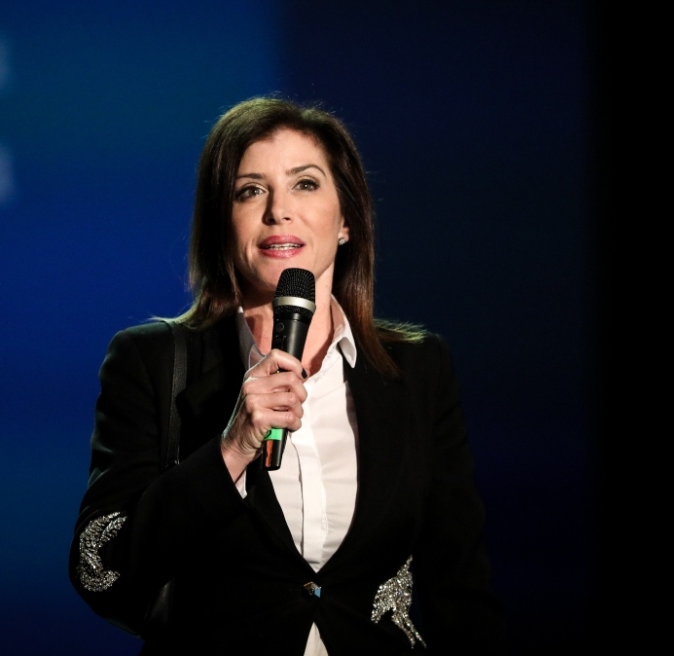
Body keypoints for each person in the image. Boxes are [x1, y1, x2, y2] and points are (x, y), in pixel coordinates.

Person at [70, 97, 504, 654]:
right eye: (251, 190)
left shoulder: (417, 368)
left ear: (346, 220)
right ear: (221, 222)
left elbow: (460, 587)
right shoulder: (149, 361)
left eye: (305, 184)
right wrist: (230, 450)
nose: (279, 210)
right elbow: (100, 571)